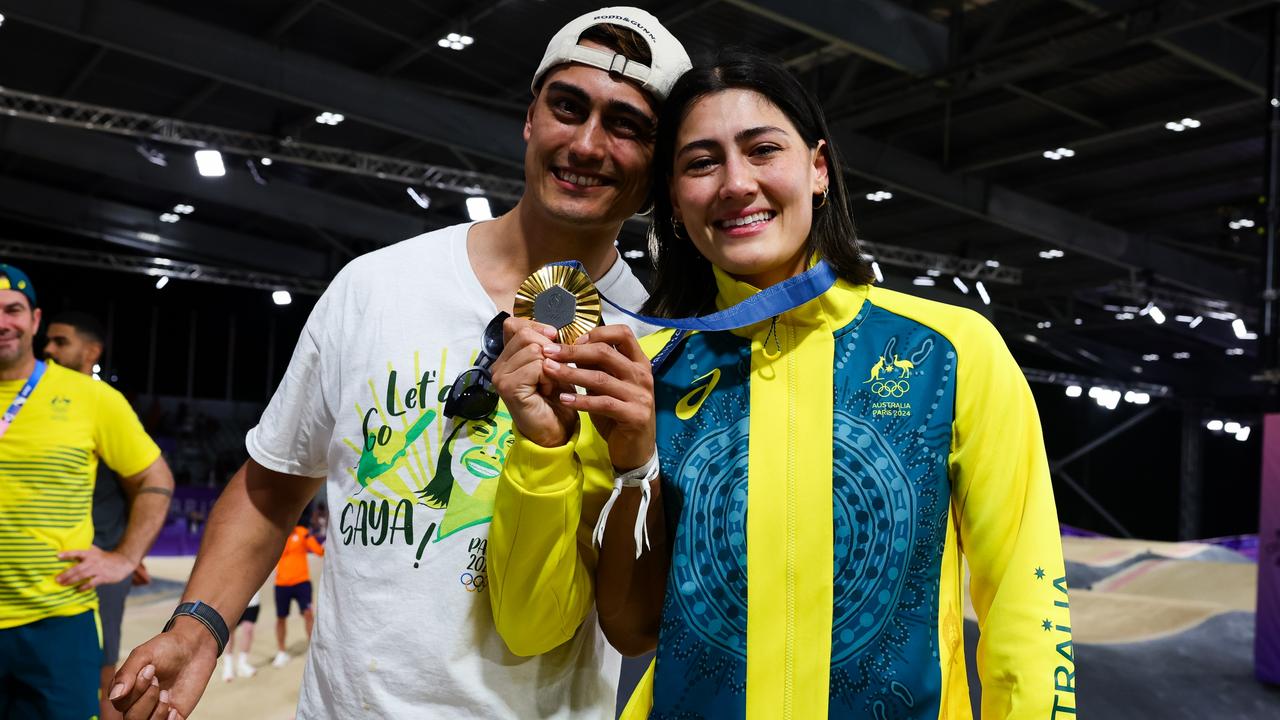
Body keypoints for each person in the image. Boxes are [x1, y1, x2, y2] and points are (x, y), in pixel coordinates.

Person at [109, 8, 691, 719]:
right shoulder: (374, 287)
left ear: (659, 165)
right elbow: (270, 488)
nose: (588, 143)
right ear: (530, 118)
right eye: (568, 106)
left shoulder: (663, 346)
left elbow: (633, 610)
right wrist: (199, 626)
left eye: (627, 124)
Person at [490, 49, 1075, 718]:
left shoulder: (949, 351)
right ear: (676, 206)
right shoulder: (638, 376)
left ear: (818, 169)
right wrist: (542, 450)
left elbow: (1023, 607)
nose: (736, 183)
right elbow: (554, 626)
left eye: (762, 150)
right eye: (701, 163)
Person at [0, 264, 174, 720]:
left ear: (34, 319)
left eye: (12, 310)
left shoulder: (92, 398)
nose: (3, 322)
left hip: (58, 621)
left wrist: (125, 556)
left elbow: (154, 479)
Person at [43, 309, 175, 720]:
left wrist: (126, 554)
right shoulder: (38, 404)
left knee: (98, 671)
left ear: (91, 351)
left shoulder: (104, 406)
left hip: (93, 565)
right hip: (42, 564)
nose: (48, 349)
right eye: (48, 340)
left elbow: (145, 484)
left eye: (61, 341)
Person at [271, 514, 324, 668]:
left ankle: (313, 649)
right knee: (281, 618)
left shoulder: (302, 532)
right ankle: (281, 652)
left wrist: (325, 547)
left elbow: (317, 550)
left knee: (308, 614)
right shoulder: (277, 535)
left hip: (302, 582)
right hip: (281, 583)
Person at [222, 591, 262, 681]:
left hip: (252, 601)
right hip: (233, 603)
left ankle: (242, 664)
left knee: (248, 630)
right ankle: (228, 666)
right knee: (230, 633)